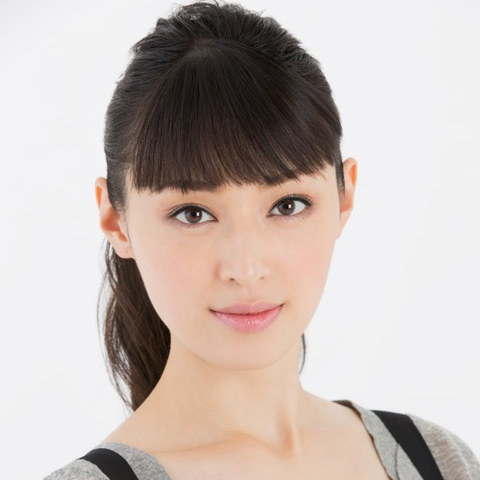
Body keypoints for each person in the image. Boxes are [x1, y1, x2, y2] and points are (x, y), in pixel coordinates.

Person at [44, 1, 480, 479]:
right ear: (115, 220)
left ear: (344, 197)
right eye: (193, 214)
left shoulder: (437, 459)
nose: (247, 268)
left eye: (287, 205)